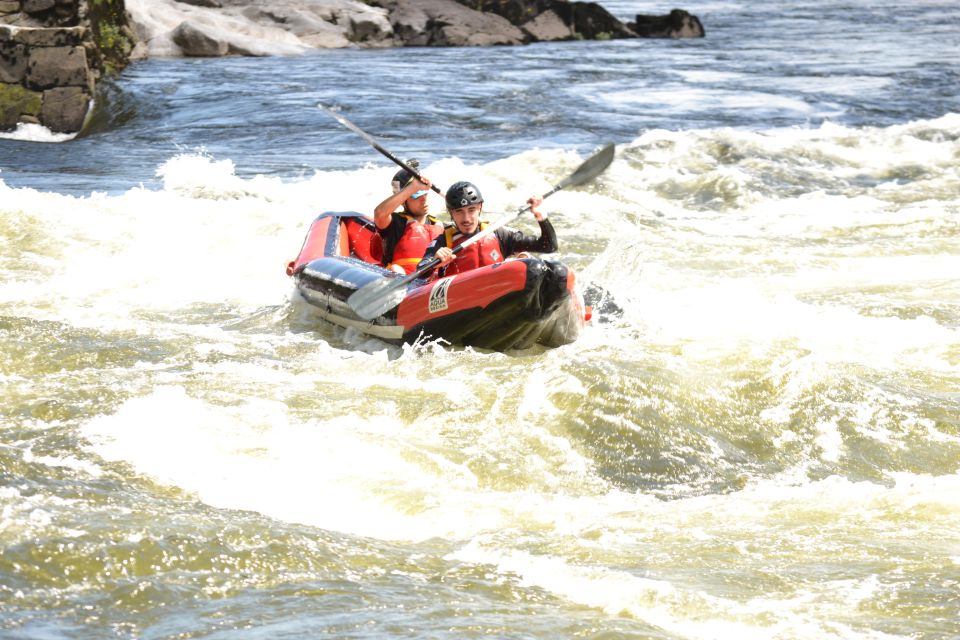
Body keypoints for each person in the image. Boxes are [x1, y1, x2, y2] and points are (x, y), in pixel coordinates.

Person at [417, 180, 558, 278]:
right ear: (450, 212)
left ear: (480, 208)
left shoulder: (500, 233)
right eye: (459, 211)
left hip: (494, 294)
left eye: (471, 210)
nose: (466, 218)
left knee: (529, 260)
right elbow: (419, 273)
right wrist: (435, 262)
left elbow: (548, 246)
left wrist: (541, 216)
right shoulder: (443, 242)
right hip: (459, 300)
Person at [372, 159, 444, 274]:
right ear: (403, 200)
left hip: (432, 283)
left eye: (424, 193)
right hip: (403, 281)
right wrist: (412, 188)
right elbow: (379, 214)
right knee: (396, 270)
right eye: (416, 195)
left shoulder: (438, 225)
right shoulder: (395, 223)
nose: (423, 198)